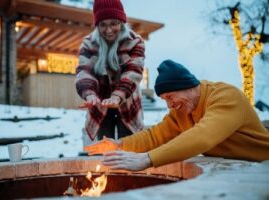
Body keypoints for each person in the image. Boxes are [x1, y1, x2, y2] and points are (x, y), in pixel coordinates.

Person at [84, 59, 269, 171]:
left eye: (170, 96)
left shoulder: (226, 96)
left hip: (262, 165)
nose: (170, 104)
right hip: (233, 168)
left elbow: (203, 135)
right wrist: (121, 145)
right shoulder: (181, 112)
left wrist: (148, 159)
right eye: (165, 99)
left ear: (188, 87)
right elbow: (155, 135)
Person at [75, 0, 145, 142]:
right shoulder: (89, 44)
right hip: (99, 105)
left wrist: (118, 96)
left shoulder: (135, 42)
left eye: (113, 23)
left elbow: (133, 71)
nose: (108, 30)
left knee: (128, 147)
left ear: (121, 22)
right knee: (105, 149)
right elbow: (85, 71)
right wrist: (89, 94)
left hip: (127, 102)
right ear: (97, 25)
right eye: (103, 25)